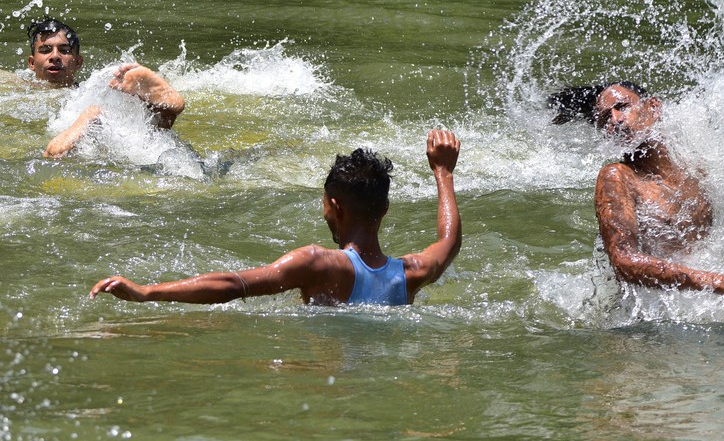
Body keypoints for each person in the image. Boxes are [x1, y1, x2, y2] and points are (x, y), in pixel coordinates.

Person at [90, 130, 462, 307]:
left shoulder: (319, 264)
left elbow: (235, 284)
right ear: (384, 211)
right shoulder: (410, 273)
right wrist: (443, 173)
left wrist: (147, 292)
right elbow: (448, 242)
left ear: (336, 205)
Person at [549, 81, 724, 322]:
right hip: (639, 322)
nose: (615, 120)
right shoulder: (617, 177)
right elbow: (623, 261)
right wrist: (717, 283)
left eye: (622, 107)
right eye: (604, 119)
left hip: (701, 308)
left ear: (654, 107)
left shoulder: (699, 164)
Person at [25, 17, 185, 158]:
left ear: (79, 62)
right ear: (32, 63)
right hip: (88, 121)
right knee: (142, 139)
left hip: (86, 120)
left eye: (64, 50)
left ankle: (164, 109)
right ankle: (165, 110)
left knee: (142, 127)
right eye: (46, 50)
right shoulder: (18, 89)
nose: (54, 56)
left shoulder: (89, 92)